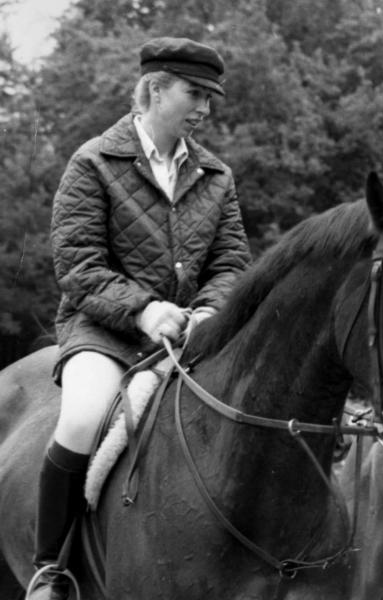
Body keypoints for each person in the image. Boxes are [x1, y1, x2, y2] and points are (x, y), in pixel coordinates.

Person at [27, 37, 251, 600]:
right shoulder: (93, 163)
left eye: (210, 97)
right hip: (101, 332)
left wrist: (210, 311)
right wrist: (143, 309)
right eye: (194, 93)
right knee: (82, 419)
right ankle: (50, 569)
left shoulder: (216, 176)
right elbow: (78, 266)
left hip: (188, 336)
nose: (205, 109)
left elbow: (230, 262)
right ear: (154, 90)